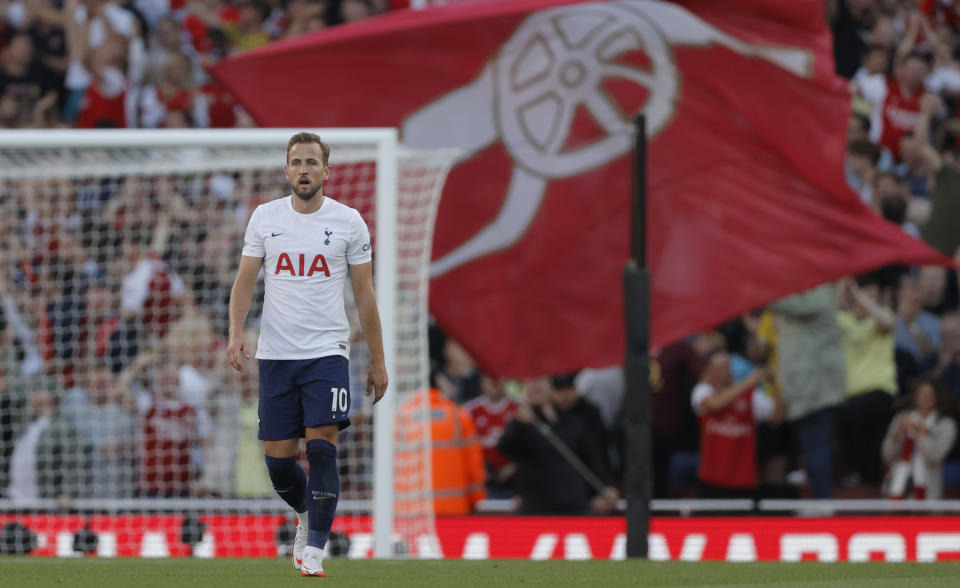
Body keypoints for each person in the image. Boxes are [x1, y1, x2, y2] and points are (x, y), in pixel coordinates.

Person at [226, 132, 387, 578]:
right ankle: (306, 515)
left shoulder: (350, 222)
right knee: (278, 462)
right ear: (286, 170)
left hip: (326, 355)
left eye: (312, 162)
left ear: (326, 171)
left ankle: (315, 546)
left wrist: (377, 359)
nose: (303, 169)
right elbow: (244, 281)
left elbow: (365, 296)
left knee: (321, 450)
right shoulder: (265, 217)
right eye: (296, 162)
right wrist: (236, 332)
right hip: (276, 356)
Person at [768, 285, 847, 498]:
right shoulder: (807, 293)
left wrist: (760, 293)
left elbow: (794, 305)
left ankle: (824, 504)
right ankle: (819, 499)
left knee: (817, 447)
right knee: (811, 447)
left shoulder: (820, 292)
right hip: (803, 390)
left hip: (818, 390)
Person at [691, 352, 782, 498]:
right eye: (721, 367)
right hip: (711, 479)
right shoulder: (703, 391)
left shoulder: (751, 396)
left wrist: (774, 384)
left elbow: (777, 417)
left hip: (743, 479)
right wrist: (751, 380)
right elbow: (715, 404)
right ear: (709, 371)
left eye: (728, 366)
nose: (727, 371)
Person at [882, 378, 957, 499]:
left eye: (930, 394)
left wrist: (919, 432)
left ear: (937, 397)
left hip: (928, 490)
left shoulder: (946, 424)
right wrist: (897, 434)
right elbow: (886, 456)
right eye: (922, 394)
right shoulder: (901, 419)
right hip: (897, 485)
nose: (925, 398)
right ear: (915, 396)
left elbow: (935, 457)